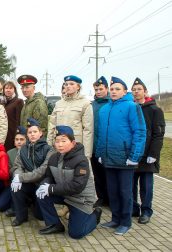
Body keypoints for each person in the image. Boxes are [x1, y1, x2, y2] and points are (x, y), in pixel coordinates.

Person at [96, 76, 146, 235]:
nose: (114, 91)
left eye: (117, 89)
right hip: (108, 158)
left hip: (125, 158)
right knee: (112, 191)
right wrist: (100, 153)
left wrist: (134, 156)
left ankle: (125, 222)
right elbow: (100, 134)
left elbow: (140, 132)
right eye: (112, 89)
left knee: (125, 192)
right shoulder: (104, 109)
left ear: (125, 91)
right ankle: (115, 219)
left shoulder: (132, 107)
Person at [36, 125, 101, 239]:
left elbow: (77, 186)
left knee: (76, 234)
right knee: (41, 194)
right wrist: (43, 186)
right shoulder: (53, 158)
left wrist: (50, 188)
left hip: (80, 199)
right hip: (65, 195)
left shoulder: (81, 160)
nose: (60, 145)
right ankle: (55, 225)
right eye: (57, 141)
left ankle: (95, 215)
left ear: (73, 142)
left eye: (63, 141)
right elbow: (48, 176)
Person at [47, 75, 94, 218]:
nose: (68, 86)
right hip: (60, 146)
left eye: (71, 84)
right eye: (66, 84)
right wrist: (50, 143)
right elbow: (52, 125)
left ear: (78, 86)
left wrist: (87, 152)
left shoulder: (85, 104)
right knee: (61, 176)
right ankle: (66, 206)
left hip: (76, 148)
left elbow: (88, 129)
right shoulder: (59, 104)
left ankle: (85, 206)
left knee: (79, 178)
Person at [131, 77, 165, 224]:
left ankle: (146, 211)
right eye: (133, 90)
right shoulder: (131, 108)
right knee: (131, 184)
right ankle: (133, 208)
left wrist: (154, 154)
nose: (136, 92)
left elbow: (158, 134)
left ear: (145, 91)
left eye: (139, 89)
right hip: (133, 154)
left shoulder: (155, 110)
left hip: (147, 154)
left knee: (146, 186)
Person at [10, 118, 53, 226]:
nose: (32, 134)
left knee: (39, 216)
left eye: (35, 132)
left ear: (40, 133)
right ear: (27, 135)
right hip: (29, 183)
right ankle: (21, 216)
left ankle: (36, 206)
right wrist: (17, 176)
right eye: (30, 132)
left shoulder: (49, 149)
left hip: (41, 183)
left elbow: (42, 171)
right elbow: (17, 166)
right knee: (15, 186)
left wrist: (21, 177)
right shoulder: (23, 149)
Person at [91, 76, 110, 207]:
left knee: (108, 175)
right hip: (93, 145)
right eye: (96, 89)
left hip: (107, 146)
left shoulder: (111, 103)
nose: (98, 92)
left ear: (107, 89)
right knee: (97, 175)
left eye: (101, 89)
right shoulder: (92, 105)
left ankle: (110, 198)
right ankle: (101, 197)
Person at [4, 125, 27, 217]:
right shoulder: (10, 153)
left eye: (22, 139)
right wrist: (16, 170)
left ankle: (17, 208)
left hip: (27, 181)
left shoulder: (29, 152)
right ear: (14, 142)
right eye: (17, 139)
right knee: (1, 205)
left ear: (26, 140)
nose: (19, 142)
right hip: (13, 183)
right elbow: (8, 171)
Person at [2, 81, 24, 151]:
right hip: (3, 135)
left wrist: (16, 136)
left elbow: (19, 120)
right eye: (6, 88)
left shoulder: (18, 102)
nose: (8, 90)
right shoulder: (2, 102)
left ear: (14, 90)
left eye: (10, 88)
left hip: (12, 135)